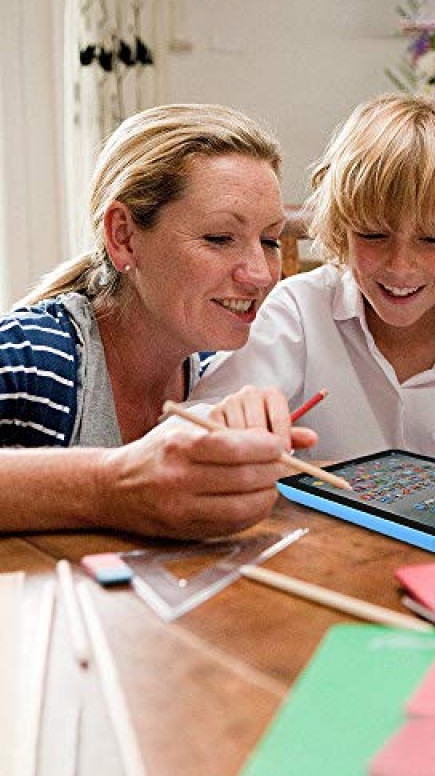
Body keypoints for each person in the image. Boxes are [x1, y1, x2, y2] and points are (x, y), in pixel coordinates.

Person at [0, 103, 316, 538]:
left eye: (269, 240)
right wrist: (112, 485)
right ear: (124, 237)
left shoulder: (212, 370)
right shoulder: (34, 357)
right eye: (219, 238)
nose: (260, 274)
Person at [190, 92, 435, 461]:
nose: (400, 266)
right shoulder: (297, 315)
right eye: (373, 235)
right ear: (342, 228)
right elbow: (195, 429)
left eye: (432, 240)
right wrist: (232, 422)